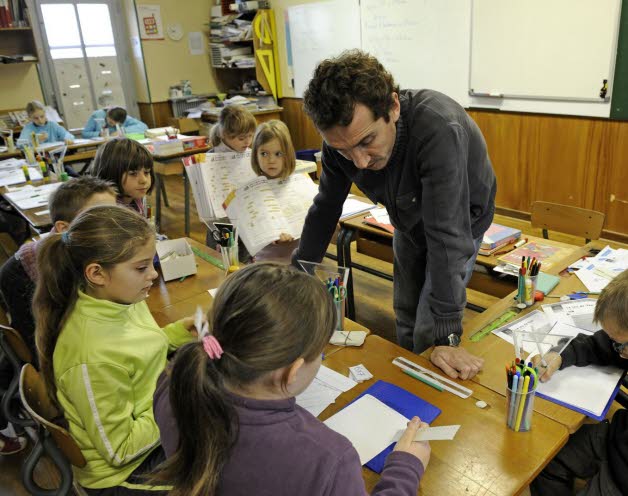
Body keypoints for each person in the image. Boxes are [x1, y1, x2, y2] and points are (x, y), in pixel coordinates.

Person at [295, 50, 496, 379]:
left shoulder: (437, 127)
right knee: (405, 310)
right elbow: (326, 206)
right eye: (344, 151)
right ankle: (408, 377)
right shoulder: (341, 141)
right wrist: (299, 274)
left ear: (393, 107)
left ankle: (428, 387)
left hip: (461, 220)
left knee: (431, 330)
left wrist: (447, 336)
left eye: (367, 141)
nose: (359, 162)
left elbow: (447, 235)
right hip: (406, 214)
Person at [151, 263, 430, 496]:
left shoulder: (173, 382)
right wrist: (406, 468)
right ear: (292, 370)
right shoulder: (329, 460)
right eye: (320, 355)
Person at [33, 205, 196, 494]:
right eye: (141, 267)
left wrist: (176, 334)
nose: (154, 275)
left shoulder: (121, 299)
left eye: (152, 263)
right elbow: (120, 450)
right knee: (232, 462)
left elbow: (135, 350)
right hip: (126, 473)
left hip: (152, 421)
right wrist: (177, 401)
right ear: (97, 273)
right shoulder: (90, 355)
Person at [530, 270, 628, 496]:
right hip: (617, 437)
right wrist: (559, 355)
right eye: (615, 343)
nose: (619, 353)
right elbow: (594, 345)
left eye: (621, 345)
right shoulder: (621, 342)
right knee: (543, 463)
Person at [0, 176, 117, 357]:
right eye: (98, 217)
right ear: (64, 228)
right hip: (25, 291)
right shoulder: (42, 266)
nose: (113, 224)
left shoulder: (90, 239)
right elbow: (46, 340)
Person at [204, 105, 257, 261]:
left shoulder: (250, 154)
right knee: (225, 259)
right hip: (222, 222)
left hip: (246, 219)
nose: (247, 142)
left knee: (247, 260)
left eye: (250, 136)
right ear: (224, 135)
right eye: (241, 138)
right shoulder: (211, 158)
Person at [250, 120, 299, 263]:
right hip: (264, 263)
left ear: (288, 154)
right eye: (264, 153)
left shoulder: (299, 185)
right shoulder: (252, 192)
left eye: (278, 154)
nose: (271, 160)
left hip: (298, 261)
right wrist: (270, 236)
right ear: (255, 155)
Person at [89, 138, 154, 216]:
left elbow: (146, 218)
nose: (144, 180)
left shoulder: (136, 196)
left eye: (146, 172)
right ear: (111, 173)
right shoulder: (108, 212)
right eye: (133, 173)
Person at [82, 107, 148, 139]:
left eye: (117, 124)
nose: (113, 125)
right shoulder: (97, 116)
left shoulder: (123, 117)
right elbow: (85, 134)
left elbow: (144, 127)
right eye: (110, 122)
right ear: (107, 115)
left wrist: (123, 131)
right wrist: (99, 134)